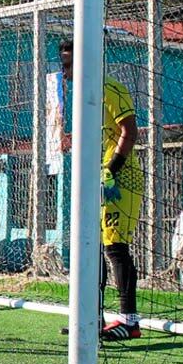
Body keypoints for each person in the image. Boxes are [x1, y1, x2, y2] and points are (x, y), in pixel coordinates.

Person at [59, 40, 142, 340]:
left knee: (115, 247)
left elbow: (129, 131)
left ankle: (130, 322)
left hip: (120, 181)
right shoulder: (83, 97)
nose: (64, 72)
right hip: (95, 181)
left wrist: (111, 170)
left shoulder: (109, 88)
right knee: (90, 247)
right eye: (63, 65)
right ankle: (92, 317)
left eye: (69, 65)